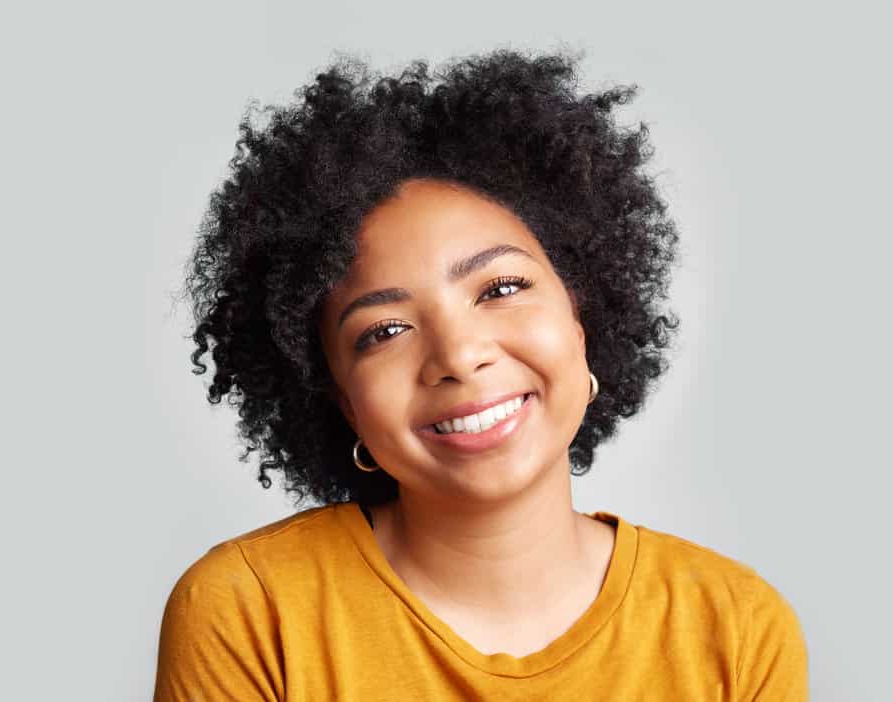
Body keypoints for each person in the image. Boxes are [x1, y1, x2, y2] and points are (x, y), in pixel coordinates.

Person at [154, 48, 808, 700]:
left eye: (500, 288)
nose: (459, 356)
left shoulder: (735, 628)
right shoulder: (252, 611)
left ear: (580, 315)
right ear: (344, 402)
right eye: (383, 332)